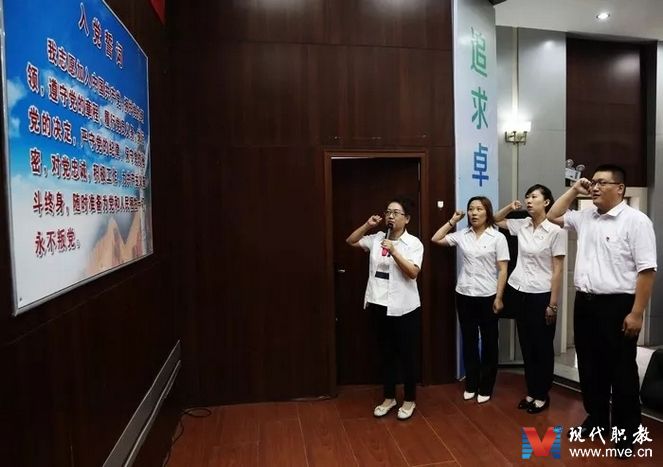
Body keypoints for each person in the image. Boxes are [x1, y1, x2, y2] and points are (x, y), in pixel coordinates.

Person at [547, 164, 656, 453]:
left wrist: (636, 313)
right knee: (589, 367)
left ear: (620, 188)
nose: (594, 187)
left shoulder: (636, 221)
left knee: (621, 371)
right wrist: (574, 189)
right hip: (585, 303)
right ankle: (597, 419)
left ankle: (626, 431)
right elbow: (553, 215)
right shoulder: (586, 217)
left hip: (618, 305)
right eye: (593, 182)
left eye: (602, 183)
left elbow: (647, 271)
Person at [346, 196, 423, 420]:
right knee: (386, 354)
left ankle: (409, 400)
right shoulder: (377, 238)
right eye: (388, 212)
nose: (390, 216)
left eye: (396, 213)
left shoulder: (414, 243)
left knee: (407, 355)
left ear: (406, 219)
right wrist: (367, 225)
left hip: (404, 308)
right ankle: (389, 398)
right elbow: (351, 241)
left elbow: (413, 273)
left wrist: (395, 251)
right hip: (379, 304)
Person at [494, 185, 566, 414]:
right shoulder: (522, 224)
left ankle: (542, 394)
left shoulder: (556, 231)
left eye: (534, 197)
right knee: (526, 344)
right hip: (519, 290)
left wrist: (553, 304)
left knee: (542, 347)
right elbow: (495, 220)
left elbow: (558, 270)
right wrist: (510, 207)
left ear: (547, 202)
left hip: (542, 294)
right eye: (527, 197)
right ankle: (531, 391)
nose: (529, 200)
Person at [432, 196, 509, 403]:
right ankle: (472, 383)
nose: (474, 213)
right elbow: (436, 239)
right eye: (471, 209)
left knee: (490, 342)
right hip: (464, 293)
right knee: (469, 341)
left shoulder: (497, 237)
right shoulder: (462, 235)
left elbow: (503, 270)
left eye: (479, 209)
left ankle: (487, 386)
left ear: (487, 212)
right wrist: (453, 221)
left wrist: (499, 297)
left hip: (488, 295)